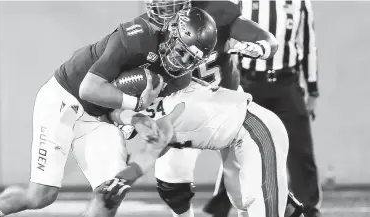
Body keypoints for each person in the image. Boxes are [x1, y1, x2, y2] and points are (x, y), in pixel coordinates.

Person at [0, 7, 218, 217]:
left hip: (100, 118)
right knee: (40, 196)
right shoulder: (138, 35)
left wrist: (137, 121)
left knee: (110, 194)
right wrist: (136, 106)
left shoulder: (179, 80)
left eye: (189, 58)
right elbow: (88, 89)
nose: (180, 60)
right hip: (65, 99)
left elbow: (116, 112)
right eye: (180, 49)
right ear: (171, 31)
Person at [204, 0, 321, 217]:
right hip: (250, 82)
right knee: (236, 146)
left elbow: (307, 45)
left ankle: (309, 210)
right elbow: (227, 43)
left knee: (300, 150)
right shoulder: (240, 2)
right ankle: (220, 208)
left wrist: (312, 90)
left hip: (286, 83)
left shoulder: (300, 3)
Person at [105, 80, 290, 217]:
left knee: (264, 208)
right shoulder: (165, 97)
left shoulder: (166, 112)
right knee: (243, 200)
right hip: (234, 137)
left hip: (255, 130)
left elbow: (149, 155)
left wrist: (122, 178)